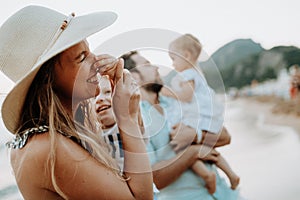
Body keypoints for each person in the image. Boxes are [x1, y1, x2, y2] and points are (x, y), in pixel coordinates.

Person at [0, 5, 153, 199]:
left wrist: (129, 112)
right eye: (82, 58)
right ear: (49, 80)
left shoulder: (55, 135)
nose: (96, 60)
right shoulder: (48, 148)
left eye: (89, 51)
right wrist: (126, 117)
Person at [121, 51, 239, 200]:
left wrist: (196, 135)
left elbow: (225, 136)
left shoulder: (178, 102)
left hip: (226, 194)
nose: (156, 68)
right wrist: (193, 152)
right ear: (135, 76)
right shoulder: (135, 122)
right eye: (148, 65)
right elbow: (153, 178)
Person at [160, 33, 240, 192]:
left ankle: (206, 175)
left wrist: (165, 91)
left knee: (182, 146)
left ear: (186, 55)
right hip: (200, 115)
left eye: (173, 59)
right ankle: (230, 174)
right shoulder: (195, 72)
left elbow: (186, 96)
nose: (172, 64)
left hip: (196, 116)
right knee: (203, 147)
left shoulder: (188, 74)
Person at [94, 74, 160, 199]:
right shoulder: (94, 135)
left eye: (108, 92)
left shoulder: (130, 123)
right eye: (95, 96)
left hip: (145, 190)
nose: (99, 99)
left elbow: (133, 110)